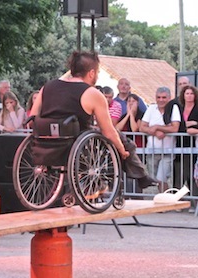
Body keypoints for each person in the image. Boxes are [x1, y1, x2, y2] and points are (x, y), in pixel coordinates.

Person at [30, 50, 157, 190]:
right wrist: (122, 150)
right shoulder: (92, 93)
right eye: (97, 72)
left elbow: (32, 117)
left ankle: (105, 182)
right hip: (77, 143)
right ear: (91, 73)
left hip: (45, 141)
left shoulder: (46, 87)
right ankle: (140, 176)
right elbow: (108, 131)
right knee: (121, 140)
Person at [140, 87, 181, 192]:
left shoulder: (173, 108)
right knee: (155, 180)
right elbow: (142, 127)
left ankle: (163, 202)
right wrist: (154, 131)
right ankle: (164, 201)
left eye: (164, 97)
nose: (161, 100)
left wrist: (158, 127)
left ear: (169, 98)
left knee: (161, 178)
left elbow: (175, 128)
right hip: (152, 150)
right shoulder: (151, 108)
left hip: (167, 151)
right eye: (158, 97)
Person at [174, 85, 198, 191]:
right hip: (179, 143)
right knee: (179, 172)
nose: (189, 96)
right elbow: (176, 125)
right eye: (187, 93)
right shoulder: (179, 107)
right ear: (183, 95)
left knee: (191, 173)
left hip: (194, 144)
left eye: (191, 93)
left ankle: (194, 199)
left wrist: (195, 124)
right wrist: (189, 124)